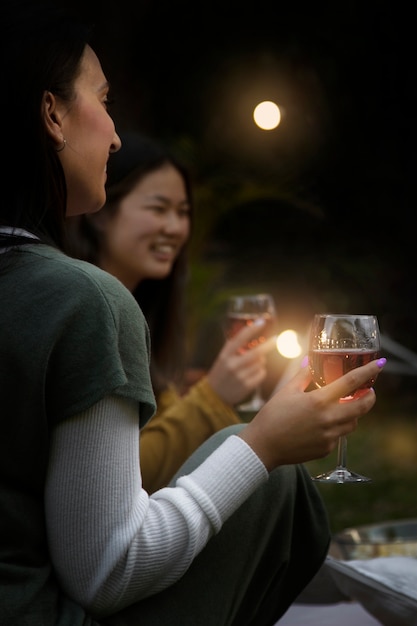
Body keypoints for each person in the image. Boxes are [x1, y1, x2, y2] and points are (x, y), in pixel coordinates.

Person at [0, 3, 386, 625]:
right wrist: (263, 443)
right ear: (51, 114)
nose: (116, 133)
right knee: (273, 477)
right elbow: (106, 572)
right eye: (103, 100)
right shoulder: (86, 301)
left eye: (183, 213)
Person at [66, 132, 279, 493]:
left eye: (182, 213)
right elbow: (121, 479)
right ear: (102, 213)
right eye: (158, 208)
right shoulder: (84, 312)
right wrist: (213, 396)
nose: (176, 228)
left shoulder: (141, 311)